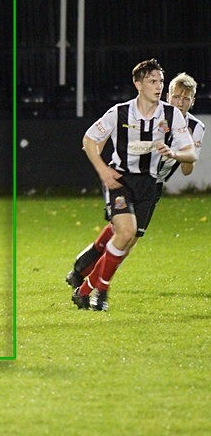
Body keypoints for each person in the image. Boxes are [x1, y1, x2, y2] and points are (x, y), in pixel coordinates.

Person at [69, 59, 195, 311]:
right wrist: (103, 170)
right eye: (152, 81)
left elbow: (190, 153)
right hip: (120, 180)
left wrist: (174, 153)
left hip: (149, 185)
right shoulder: (120, 112)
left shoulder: (171, 115)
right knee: (125, 233)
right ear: (138, 84)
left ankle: (83, 291)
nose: (158, 86)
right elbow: (89, 140)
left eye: (160, 81)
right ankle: (101, 293)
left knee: (126, 243)